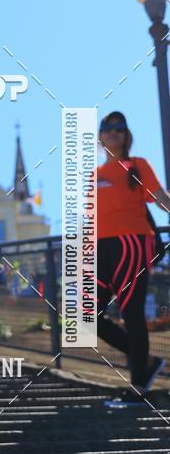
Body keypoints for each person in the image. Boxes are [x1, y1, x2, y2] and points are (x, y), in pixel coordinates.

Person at [96, 111, 170, 403]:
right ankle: (146, 361)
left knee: (132, 314)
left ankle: (140, 385)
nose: (113, 132)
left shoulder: (137, 166)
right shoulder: (94, 176)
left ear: (127, 135)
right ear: (100, 137)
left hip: (132, 243)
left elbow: (161, 198)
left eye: (119, 128)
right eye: (107, 127)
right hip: (101, 248)